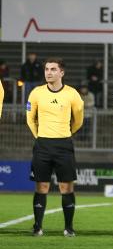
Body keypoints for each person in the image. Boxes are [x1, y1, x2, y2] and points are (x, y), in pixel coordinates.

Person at [26, 58, 84, 237]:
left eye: (53, 69)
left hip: (64, 145)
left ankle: (69, 228)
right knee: (41, 186)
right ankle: (37, 227)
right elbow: (30, 118)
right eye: (46, 69)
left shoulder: (72, 94)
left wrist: (66, 133)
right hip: (42, 144)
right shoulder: (36, 93)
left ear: (62, 73)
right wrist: (39, 136)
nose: (48, 72)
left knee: (66, 188)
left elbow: (78, 120)